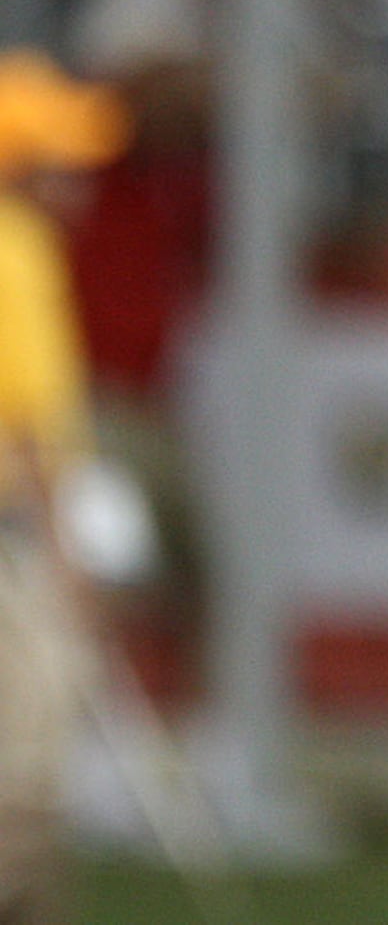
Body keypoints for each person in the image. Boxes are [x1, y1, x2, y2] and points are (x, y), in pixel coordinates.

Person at [0, 50, 132, 923]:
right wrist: (67, 556)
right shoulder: (16, 251)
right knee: (27, 767)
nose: (81, 186)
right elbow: (33, 426)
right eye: (62, 166)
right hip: (12, 536)